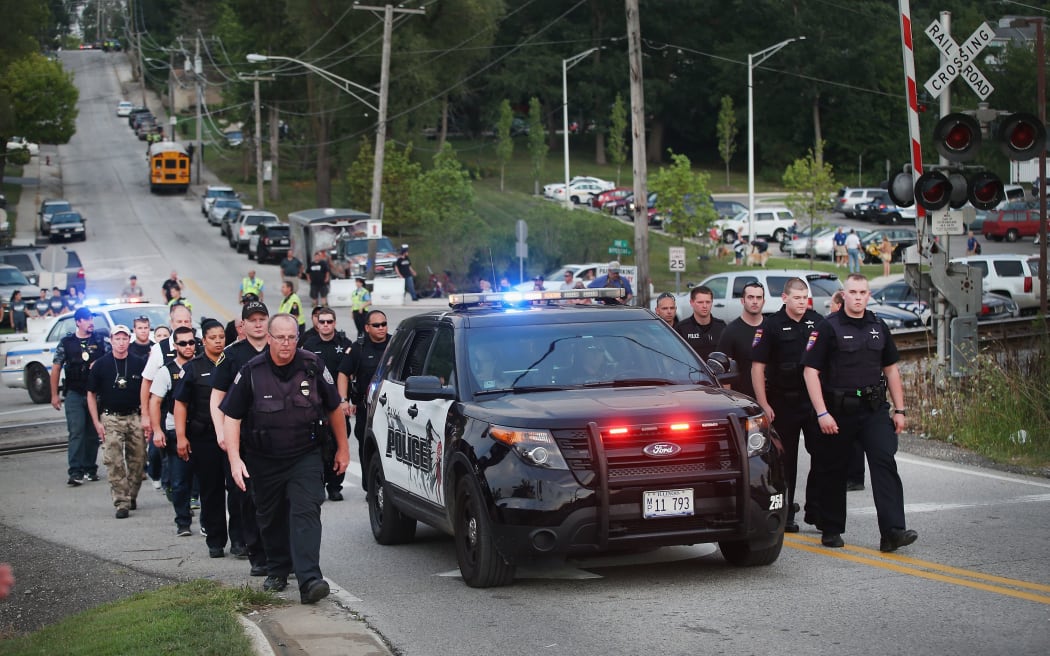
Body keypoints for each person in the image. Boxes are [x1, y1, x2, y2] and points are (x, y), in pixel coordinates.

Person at [221, 313, 349, 604]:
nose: (286, 343)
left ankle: (310, 580)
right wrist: (234, 459)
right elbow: (232, 416)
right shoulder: (252, 371)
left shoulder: (312, 365)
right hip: (263, 458)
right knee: (270, 516)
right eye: (280, 337)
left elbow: (333, 408)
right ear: (268, 338)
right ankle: (278, 568)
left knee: (306, 511)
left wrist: (343, 448)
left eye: (292, 337)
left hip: (305, 454)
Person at [801, 273, 918, 552]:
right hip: (837, 410)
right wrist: (821, 413)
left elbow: (890, 369)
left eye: (862, 292)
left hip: (874, 408)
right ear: (844, 295)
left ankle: (892, 531)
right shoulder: (828, 327)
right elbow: (810, 371)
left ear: (868, 295)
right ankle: (831, 528)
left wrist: (900, 410)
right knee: (833, 469)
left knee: (884, 462)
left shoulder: (878, 325)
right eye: (852, 292)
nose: (857, 297)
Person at [751, 278, 824, 534]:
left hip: (812, 401)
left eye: (805, 298)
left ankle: (816, 508)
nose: (802, 302)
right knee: (787, 460)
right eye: (797, 297)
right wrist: (763, 403)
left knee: (823, 456)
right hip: (783, 401)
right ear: (785, 298)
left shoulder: (817, 322)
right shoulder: (771, 325)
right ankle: (788, 512)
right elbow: (757, 367)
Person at [210, 301, 271, 571]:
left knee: (278, 496)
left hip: (275, 434)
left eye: (262, 318)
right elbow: (217, 397)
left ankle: (280, 552)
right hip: (242, 435)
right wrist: (221, 431)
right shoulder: (232, 354)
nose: (258, 323)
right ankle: (254, 551)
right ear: (242, 325)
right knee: (246, 496)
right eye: (252, 319)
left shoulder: (280, 348)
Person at [173, 319, 233, 558]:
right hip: (204, 437)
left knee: (238, 491)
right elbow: (180, 404)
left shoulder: (232, 362)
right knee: (211, 490)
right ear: (204, 340)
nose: (218, 341)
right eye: (213, 337)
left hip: (232, 435)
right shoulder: (193, 368)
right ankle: (216, 541)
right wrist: (180, 436)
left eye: (221, 337)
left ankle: (240, 540)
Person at [86, 325, 148, 518]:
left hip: (134, 416)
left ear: (129, 340)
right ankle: (121, 502)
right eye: (117, 339)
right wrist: (96, 422)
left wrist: (147, 417)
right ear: (111, 341)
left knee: (138, 460)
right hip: (111, 417)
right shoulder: (101, 364)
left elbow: (148, 390)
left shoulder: (138, 363)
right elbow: (91, 394)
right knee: (114, 461)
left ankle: (131, 494)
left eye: (124, 339)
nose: (121, 343)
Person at [51, 307, 109, 486]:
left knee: (93, 433)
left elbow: (111, 358)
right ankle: (75, 471)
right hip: (74, 393)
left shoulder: (99, 340)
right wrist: (54, 395)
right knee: (76, 432)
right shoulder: (67, 342)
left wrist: (98, 363)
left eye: (91, 319)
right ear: (78, 322)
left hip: (95, 393)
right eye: (86, 319)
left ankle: (90, 468)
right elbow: (56, 368)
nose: (91, 322)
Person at [301, 307, 354, 501]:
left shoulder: (345, 344)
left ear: (334, 323)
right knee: (318, 446)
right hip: (316, 404)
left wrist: (348, 400)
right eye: (322, 322)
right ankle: (319, 483)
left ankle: (335, 486)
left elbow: (351, 375)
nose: (325, 325)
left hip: (339, 405)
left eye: (329, 322)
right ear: (317, 323)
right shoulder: (308, 345)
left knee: (340, 444)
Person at [149, 325, 196, 534]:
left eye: (192, 342)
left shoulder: (203, 366)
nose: (188, 347)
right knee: (179, 481)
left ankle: (208, 523)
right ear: (175, 345)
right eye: (183, 343)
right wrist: (157, 430)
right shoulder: (167, 371)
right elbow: (155, 402)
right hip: (174, 431)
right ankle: (183, 522)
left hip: (202, 430)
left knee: (206, 482)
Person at [338, 309, 389, 471]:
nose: (381, 328)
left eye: (384, 324)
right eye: (376, 325)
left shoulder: (396, 345)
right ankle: (370, 488)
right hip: (365, 409)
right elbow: (343, 374)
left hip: (391, 408)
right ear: (367, 328)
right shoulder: (358, 348)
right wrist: (344, 400)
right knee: (366, 446)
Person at [716, 281, 765, 398]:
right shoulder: (731, 331)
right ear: (742, 301)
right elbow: (724, 373)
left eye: (759, 297)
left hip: (773, 399)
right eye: (750, 297)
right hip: (743, 398)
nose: (755, 301)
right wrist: (730, 400)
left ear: (763, 301)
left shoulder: (772, 327)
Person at [675, 286, 726, 360]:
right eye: (700, 302)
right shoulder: (681, 328)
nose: (704, 306)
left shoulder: (721, 326)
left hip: (716, 371)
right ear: (691, 303)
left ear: (712, 302)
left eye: (708, 302)